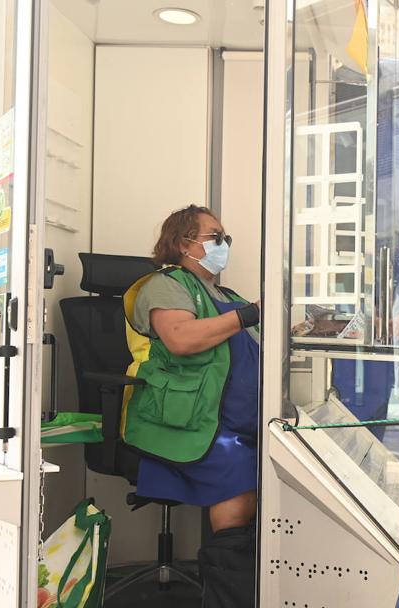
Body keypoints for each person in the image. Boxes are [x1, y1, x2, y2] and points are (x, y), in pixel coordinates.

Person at [122, 204, 261, 608]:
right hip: (186, 424)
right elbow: (182, 339)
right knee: (241, 484)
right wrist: (251, 313)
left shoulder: (226, 295)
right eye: (215, 237)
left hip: (235, 423)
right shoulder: (165, 286)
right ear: (185, 243)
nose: (224, 244)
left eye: (225, 237)